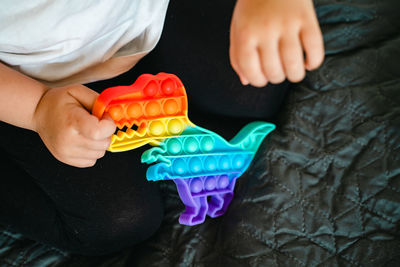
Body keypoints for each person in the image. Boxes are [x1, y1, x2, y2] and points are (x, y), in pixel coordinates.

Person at [0, 0, 324, 255]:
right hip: (24, 80)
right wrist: (38, 108)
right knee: (119, 219)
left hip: (139, 20)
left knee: (255, 87)